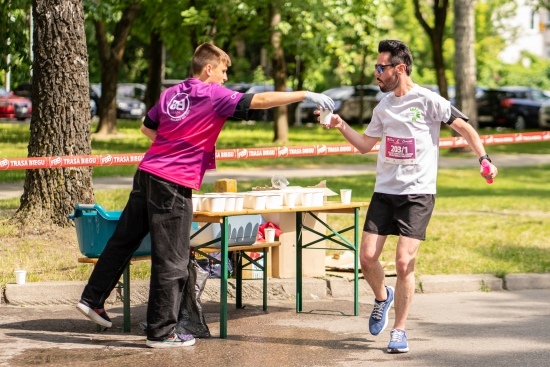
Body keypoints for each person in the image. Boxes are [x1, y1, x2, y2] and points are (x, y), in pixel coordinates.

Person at [76, 42, 334, 348]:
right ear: (208, 68)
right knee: (172, 258)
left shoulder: (172, 93)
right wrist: (304, 95)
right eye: (224, 71)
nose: (226, 78)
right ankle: (161, 333)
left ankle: (92, 299)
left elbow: (148, 128)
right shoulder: (213, 94)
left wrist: (175, 144)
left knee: (124, 241)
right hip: (173, 182)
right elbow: (260, 100)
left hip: (146, 173)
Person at [323, 39, 497, 354]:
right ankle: (381, 297)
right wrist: (340, 124)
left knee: (404, 262)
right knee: (366, 258)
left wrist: (483, 159)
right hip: (385, 192)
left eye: (380, 67)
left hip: (417, 194)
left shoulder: (430, 101)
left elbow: (467, 130)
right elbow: (364, 146)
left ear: (399, 69)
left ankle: (399, 330)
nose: (376, 73)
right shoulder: (383, 107)